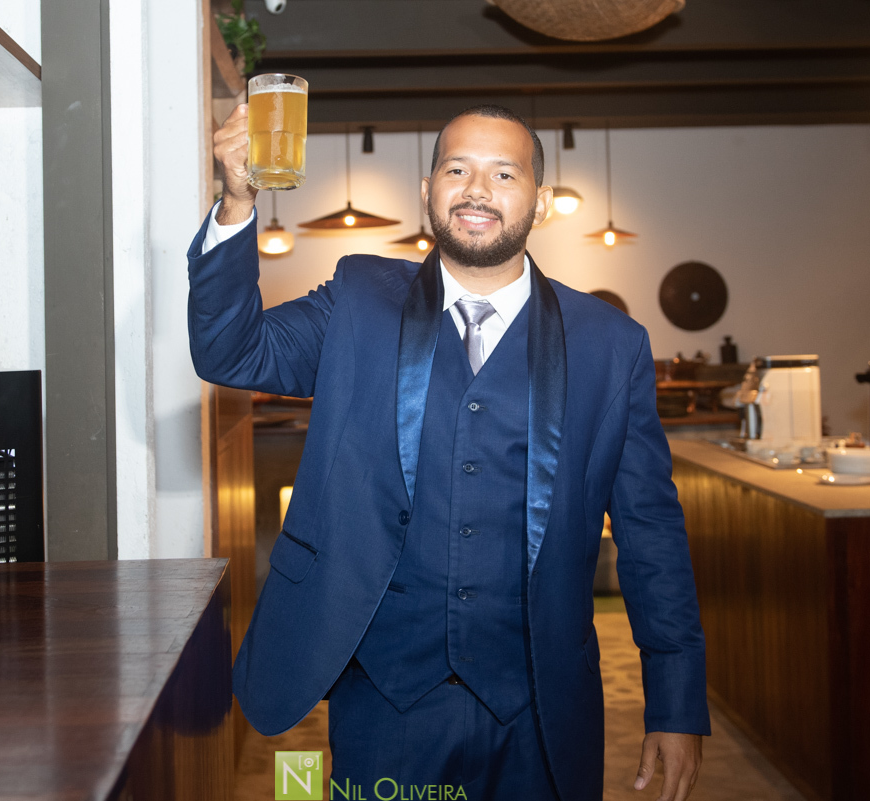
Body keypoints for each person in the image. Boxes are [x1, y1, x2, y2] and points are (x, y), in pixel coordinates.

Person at [188, 102, 709, 801]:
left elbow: (650, 535)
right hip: (386, 697)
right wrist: (237, 199)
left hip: (540, 705)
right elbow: (230, 351)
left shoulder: (612, 345)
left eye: (504, 173)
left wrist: (675, 701)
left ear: (540, 202)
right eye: (457, 170)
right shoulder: (357, 299)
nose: (477, 190)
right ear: (427, 191)